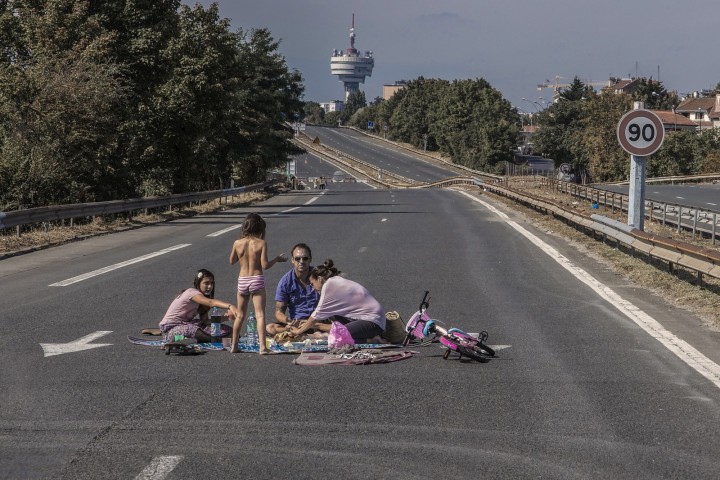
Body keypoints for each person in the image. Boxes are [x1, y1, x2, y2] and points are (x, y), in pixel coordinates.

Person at [229, 213, 287, 354]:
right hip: (256, 278)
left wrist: (241, 255)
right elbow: (265, 265)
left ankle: (234, 345)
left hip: (243, 279)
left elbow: (232, 261)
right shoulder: (261, 243)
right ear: (260, 228)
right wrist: (277, 259)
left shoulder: (237, 243)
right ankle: (262, 347)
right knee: (260, 314)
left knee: (240, 315)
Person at [290, 259, 386, 342]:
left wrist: (298, 331)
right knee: (333, 317)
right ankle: (369, 336)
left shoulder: (328, 286)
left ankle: (372, 339)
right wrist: (309, 324)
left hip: (374, 321)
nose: (312, 288)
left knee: (337, 338)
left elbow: (315, 316)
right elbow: (319, 317)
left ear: (319, 279)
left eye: (312, 284)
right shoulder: (334, 280)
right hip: (371, 318)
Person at [159, 269, 239, 343]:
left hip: (185, 325)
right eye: (206, 283)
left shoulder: (203, 299)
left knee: (227, 330)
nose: (210, 286)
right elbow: (210, 302)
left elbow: (205, 321)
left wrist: (225, 318)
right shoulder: (191, 292)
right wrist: (230, 306)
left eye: (212, 283)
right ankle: (217, 340)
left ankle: (224, 337)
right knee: (192, 329)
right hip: (170, 331)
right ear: (198, 283)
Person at [269, 243, 328, 336]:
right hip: (297, 323)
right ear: (292, 260)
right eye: (297, 258)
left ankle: (303, 335)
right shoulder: (285, 282)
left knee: (339, 325)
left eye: (305, 258)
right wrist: (288, 321)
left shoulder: (319, 277)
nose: (301, 261)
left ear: (310, 259)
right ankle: (309, 335)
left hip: (318, 322)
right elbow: (278, 312)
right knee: (270, 328)